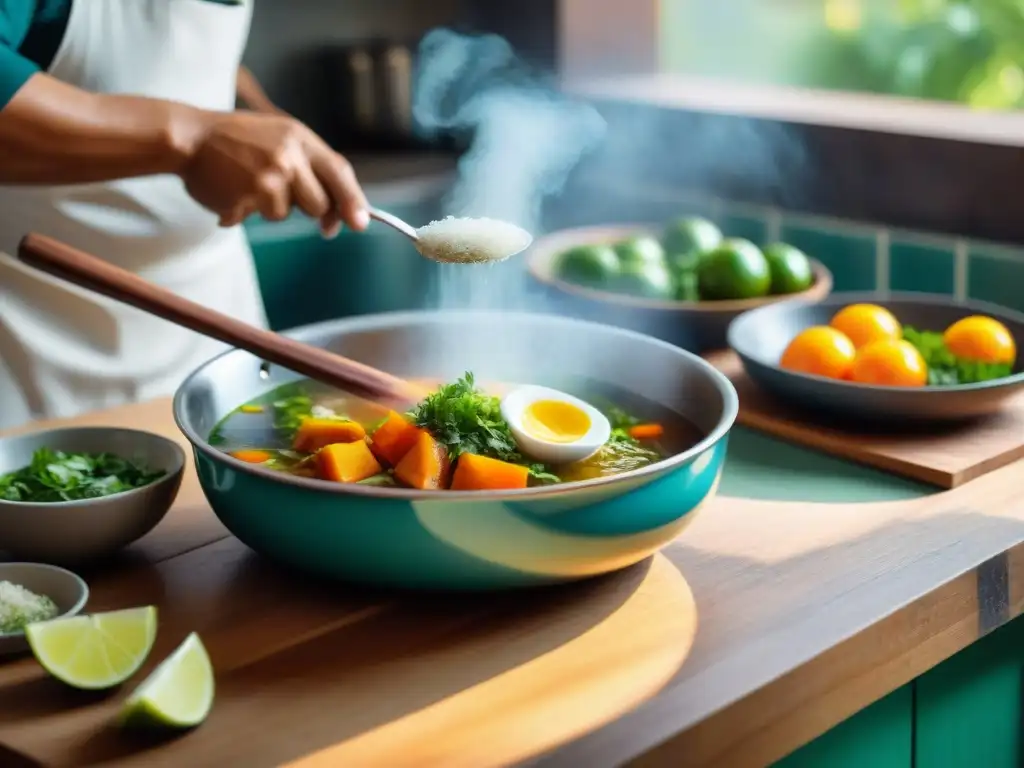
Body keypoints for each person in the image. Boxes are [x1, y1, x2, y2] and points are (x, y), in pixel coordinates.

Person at [0, 0, 371, 430]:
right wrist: (196, 137)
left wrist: (253, 113)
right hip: (42, 373)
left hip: (221, 350)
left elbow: (180, 46)